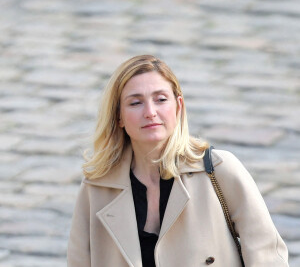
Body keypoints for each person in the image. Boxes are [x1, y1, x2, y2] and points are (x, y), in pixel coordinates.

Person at [67, 55, 289, 267]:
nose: (150, 112)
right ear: (118, 117)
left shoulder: (219, 170)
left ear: (178, 106)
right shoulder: (96, 188)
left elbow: (267, 255)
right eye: (136, 103)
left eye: (161, 99)